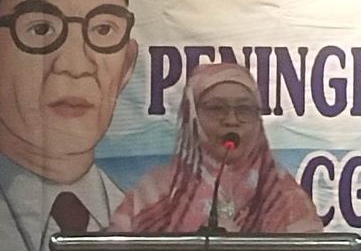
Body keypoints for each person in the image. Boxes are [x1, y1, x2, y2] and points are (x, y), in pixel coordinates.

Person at [0, 0, 138, 251]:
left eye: (103, 30)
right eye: (41, 28)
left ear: (127, 65)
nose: (76, 65)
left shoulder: (144, 222)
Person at [110, 63, 323, 233]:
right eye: (216, 108)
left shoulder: (284, 194)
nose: (231, 120)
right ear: (192, 117)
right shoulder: (154, 192)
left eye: (244, 109)